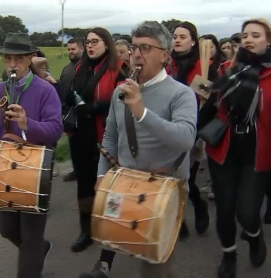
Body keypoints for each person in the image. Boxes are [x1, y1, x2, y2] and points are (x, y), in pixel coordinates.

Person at [79, 20, 197, 278]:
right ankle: (103, 265)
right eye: (134, 47)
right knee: (112, 238)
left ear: (165, 56)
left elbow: (186, 140)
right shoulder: (120, 92)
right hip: (125, 186)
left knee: (154, 265)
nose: (136, 55)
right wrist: (101, 175)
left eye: (146, 48)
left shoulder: (181, 94)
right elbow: (110, 136)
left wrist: (141, 111)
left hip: (164, 191)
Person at [198, 18, 271, 278]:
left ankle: (254, 236)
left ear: (268, 41)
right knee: (225, 211)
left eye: (255, 35)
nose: (248, 39)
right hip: (224, 149)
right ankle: (229, 254)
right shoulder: (227, 69)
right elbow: (212, 107)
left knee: (248, 213)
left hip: (258, 154)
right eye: (244, 35)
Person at [0, 33, 63, 278]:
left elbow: (56, 130)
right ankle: (39, 249)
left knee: (31, 236)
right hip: (2, 170)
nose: (13, 64)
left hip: (34, 172)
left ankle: (33, 257)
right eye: (8, 59)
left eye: (19, 58)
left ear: (31, 58)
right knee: (7, 230)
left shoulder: (46, 91)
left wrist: (27, 123)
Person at [64, 27, 127, 254]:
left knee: (109, 185)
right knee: (84, 183)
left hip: (105, 136)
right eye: (88, 42)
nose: (90, 46)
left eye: (95, 41)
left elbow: (122, 102)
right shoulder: (80, 67)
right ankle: (86, 229)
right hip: (81, 133)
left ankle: (112, 227)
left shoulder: (118, 69)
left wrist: (98, 106)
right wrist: (77, 102)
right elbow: (74, 95)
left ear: (106, 44)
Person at [168, 21, 215, 239]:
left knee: (187, 178)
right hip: (169, 128)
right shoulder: (167, 65)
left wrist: (193, 128)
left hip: (195, 130)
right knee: (171, 179)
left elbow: (211, 103)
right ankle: (179, 222)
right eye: (175, 36)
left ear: (193, 41)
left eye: (182, 36)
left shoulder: (205, 66)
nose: (177, 39)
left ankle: (198, 205)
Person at [60, 37, 84, 182]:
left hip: (82, 112)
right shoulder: (66, 69)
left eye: (73, 49)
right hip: (68, 112)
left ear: (82, 49)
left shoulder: (87, 68)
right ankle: (76, 170)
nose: (71, 52)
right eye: (69, 49)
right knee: (73, 145)